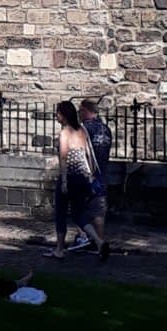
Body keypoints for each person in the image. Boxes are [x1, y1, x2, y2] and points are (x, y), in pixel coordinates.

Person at [46, 101, 110, 262]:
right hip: (83, 177)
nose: (56, 116)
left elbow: (63, 157)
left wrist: (64, 181)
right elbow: (87, 154)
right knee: (78, 213)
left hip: (70, 175)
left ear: (63, 115)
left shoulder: (65, 132)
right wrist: (90, 175)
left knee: (61, 212)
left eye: (58, 113)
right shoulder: (81, 130)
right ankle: (99, 241)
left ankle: (59, 249)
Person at [69, 99, 112, 253]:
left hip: (85, 174)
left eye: (80, 111)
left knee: (78, 209)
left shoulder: (82, 129)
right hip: (102, 174)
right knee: (98, 211)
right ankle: (99, 242)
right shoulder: (106, 129)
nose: (79, 114)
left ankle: (83, 237)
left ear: (86, 111)